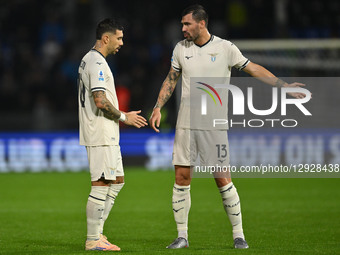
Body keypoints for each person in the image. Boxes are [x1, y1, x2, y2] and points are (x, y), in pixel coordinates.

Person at [149, 4, 306, 250]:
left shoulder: (225, 48)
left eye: (187, 24)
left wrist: (283, 85)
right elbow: (171, 78)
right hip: (186, 124)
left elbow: (252, 68)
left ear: (202, 23)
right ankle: (182, 236)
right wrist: (158, 106)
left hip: (214, 125)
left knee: (222, 179)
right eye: (182, 24)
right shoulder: (180, 48)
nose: (183, 29)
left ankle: (238, 235)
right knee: (181, 177)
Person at [78, 18, 148, 251]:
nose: (121, 43)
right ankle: (92, 239)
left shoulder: (91, 60)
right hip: (99, 131)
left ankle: (98, 233)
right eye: (119, 38)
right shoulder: (96, 63)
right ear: (106, 38)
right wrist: (123, 116)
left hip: (107, 133)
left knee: (117, 181)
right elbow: (99, 100)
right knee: (101, 183)